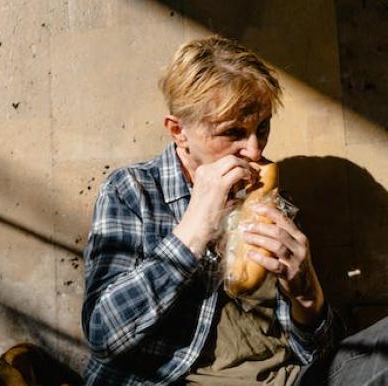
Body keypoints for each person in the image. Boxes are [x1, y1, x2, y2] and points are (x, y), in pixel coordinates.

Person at [81, 36, 387, 385]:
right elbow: (103, 336)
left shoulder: (273, 201)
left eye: (262, 127)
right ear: (179, 131)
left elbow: (319, 357)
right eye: (233, 133)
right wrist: (195, 229)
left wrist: (307, 293)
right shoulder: (132, 191)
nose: (255, 150)